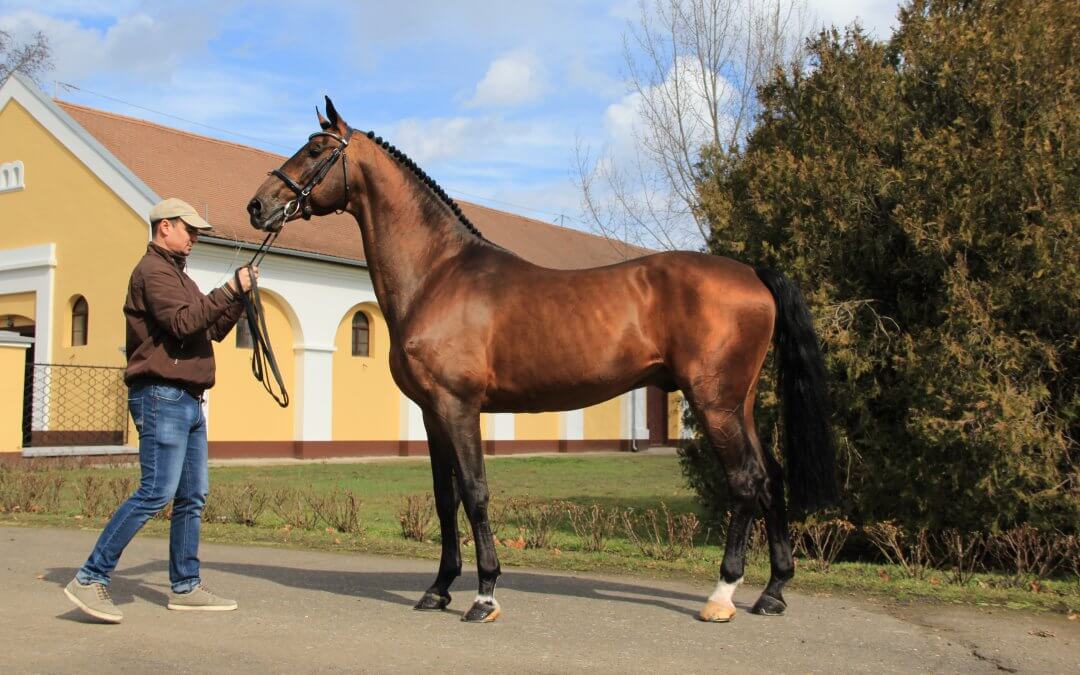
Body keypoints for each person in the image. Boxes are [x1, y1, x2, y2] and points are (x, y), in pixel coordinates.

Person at [64, 197, 257, 623]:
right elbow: (184, 324)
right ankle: (89, 577)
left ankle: (185, 586)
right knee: (156, 493)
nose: (194, 239)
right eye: (189, 230)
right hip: (161, 396)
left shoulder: (179, 278)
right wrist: (228, 288)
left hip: (187, 399)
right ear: (165, 226)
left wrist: (240, 298)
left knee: (192, 496)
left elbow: (213, 329)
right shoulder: (152, 272)